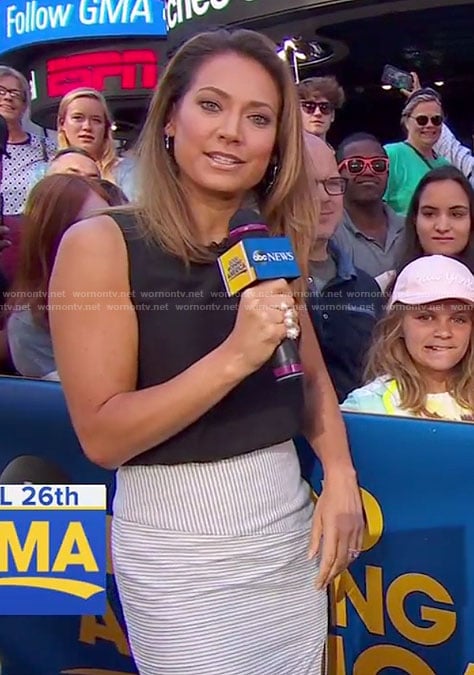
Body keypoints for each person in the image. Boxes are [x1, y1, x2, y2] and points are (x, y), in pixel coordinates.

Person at [48, 28, 364, 675]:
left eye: (258, 118)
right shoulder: (99, 243)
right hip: (179, 556)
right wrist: (234, 356)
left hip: (288, 539)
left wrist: (339, 474)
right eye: (212, 106)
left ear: (276, 143)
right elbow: (104, 437)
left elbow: (307, 379)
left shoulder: (269, 241)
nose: (232, 133)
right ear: (170, 118)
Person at [341, 255, 474, 421]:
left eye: (458, 319)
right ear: (399, 325)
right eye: (426, 317)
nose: (444, 332)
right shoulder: (365, 407)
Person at [6, 175, 110, 379]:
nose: (105, 236)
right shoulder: (29, 327)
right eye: (84, 228)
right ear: (51, 240)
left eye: (109, 222)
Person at [304, 133, 384, 402]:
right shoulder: (259, 278)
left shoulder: (365, 286)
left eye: (332, 184)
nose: (324, 197)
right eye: (307, 185)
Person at [379, 165, 474, 291]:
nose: (442, 227)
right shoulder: (382, 287)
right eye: (429, 214)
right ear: (414, 219)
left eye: (456, 214)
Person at [334, 132, 405, 278]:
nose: (368, 171)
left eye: (378, 165)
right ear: (338, 174)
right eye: (356, 165)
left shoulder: (411, 228)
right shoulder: (328, 234)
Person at [384, 88, 450, 216]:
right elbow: (375, 206)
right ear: (407, 122)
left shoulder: (446, 165)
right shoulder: (392, 154)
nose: (430, 125)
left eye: (436, 120)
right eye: (422, 120)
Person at [0, 66, 55, 216]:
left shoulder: (47, 149)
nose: (8, 97)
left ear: (24, 105)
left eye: (15, 93)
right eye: (1, 91)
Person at [297, 76, 345, 147]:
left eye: (325, 107)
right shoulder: (286, 153)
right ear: (297, 113)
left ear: (332, 115)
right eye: (309, 106)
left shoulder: (338, 155)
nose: (317, 113)